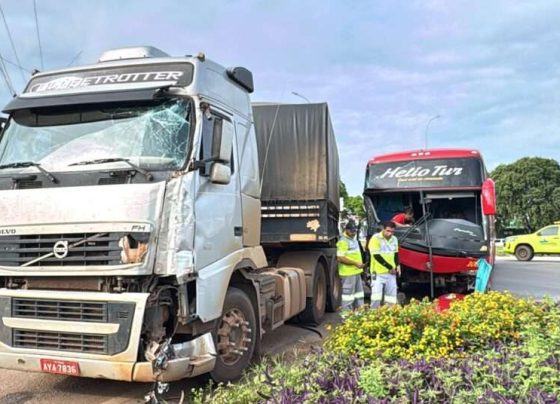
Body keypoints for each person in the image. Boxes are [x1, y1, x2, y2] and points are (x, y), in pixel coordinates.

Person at [368, 221, 400, 308]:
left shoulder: (394, 239)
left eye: (392, 232)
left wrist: (398, 266)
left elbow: (396, 254)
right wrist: (389, 267)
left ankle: (390, 317)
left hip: (391, 273)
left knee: (391, 298)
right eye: (388, 231)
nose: (390, 234)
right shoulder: (375, 238)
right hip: (378, 272)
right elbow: (376, 256)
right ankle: (373, 316)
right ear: (383, 229)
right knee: (376, 298)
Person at [336, 220, 366, 311]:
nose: (354, 233)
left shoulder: (353, 240)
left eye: (355, 231)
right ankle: (346, 319)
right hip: (348, 273)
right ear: (346, 230)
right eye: (352, 231)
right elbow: (340, 258)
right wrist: (355, 263)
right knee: (348, 297)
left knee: (359, 295)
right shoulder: (343, 242)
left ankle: (359, 317)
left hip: (356, 272)